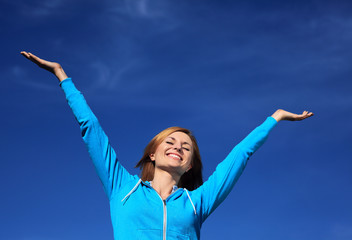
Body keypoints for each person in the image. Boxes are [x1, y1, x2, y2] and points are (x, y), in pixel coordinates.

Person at [21, 51, 314, 240]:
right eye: (170, 141)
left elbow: (240, 155)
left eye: (187, 147)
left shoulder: (196, 203)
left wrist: (274, 118)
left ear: (189, 164)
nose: (179, 147)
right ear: (153, 152)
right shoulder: (122, 188)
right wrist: (62, 76)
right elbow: (91, 129)